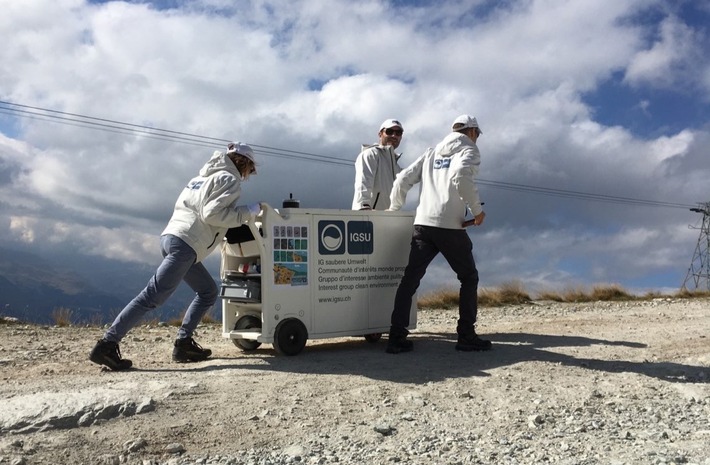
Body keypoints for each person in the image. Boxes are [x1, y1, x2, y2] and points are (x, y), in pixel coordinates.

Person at [89, 142, 261, 370]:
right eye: (251, 169)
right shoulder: (229, 179)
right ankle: (107, 345)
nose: (249, 175)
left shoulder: (199, 178)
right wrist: (248, 212)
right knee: (152, 296)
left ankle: (183, 344)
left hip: (172, 238)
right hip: (186, 245)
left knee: (208, 291)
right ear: (244, 163)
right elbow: (212, 214)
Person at [385, 115, 491, 354]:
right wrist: (477, 211)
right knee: (468, 277)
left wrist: (394, 208)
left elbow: (402, 179)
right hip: (451, 227)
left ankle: (396, 337)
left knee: (410, 280)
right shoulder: (469, 150)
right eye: (478, 134)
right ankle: (466, 336)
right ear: (472, 132)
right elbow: (462, 176)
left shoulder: (432, 152)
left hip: (423, 224)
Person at [351, 119, 404, 210]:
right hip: (369, 216)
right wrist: (363, 208)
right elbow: (363, 182)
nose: (394, 135)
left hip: (389, 217)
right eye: (389, 131)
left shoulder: (397, 167)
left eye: (398, 133)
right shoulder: (370, 154)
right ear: (380, 134)